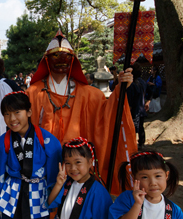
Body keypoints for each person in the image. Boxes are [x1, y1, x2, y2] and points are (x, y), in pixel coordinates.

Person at [27, 30, 136, 195]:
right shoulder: (33, 93)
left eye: (66, 57)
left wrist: (121, 89)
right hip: (44, 162)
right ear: (46, 60)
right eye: (55, 56)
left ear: (73, 61)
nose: (61, 61)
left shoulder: (89, 94)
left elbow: (106, 117)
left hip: (78, 164)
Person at [126, 64, 147, 150]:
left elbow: (130, 100)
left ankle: (132, 144)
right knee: (140, 127)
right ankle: (141, 143)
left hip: (134, 110)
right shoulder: (142, 82)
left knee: (132, 128)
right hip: (141, 107)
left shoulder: (131, 85)